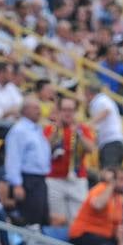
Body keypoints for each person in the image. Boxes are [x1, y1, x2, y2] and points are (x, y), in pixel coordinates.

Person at [44, 94, 95, 226]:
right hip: (54, 179)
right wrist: (56, 131)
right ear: (59, 111)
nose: (68, 113)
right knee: (57, 219)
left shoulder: (82, 129)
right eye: (64, 110)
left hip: (77, 179)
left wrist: (78, 134)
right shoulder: (50, 129)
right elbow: (44, 149)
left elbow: (90, 148)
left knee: (78, 220)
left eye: (71, 110)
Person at [2, 97, 51, 227]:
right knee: (30, 220)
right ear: (25, 110)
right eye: (35, 108)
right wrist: (17, 184)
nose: (39, 111)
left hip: (40, 179)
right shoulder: (19, 130)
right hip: (28, 180)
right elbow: (13, 158)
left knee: (42, 218)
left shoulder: (36, 129)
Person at [68, 168, 123, 245]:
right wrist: (111, 185)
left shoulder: (117, 198)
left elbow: (118, 225)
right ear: (112, 180)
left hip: (103, 237)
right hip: (84, 234)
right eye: (121, 179)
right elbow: (98, 205)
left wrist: (122, 244)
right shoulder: (101, 188)